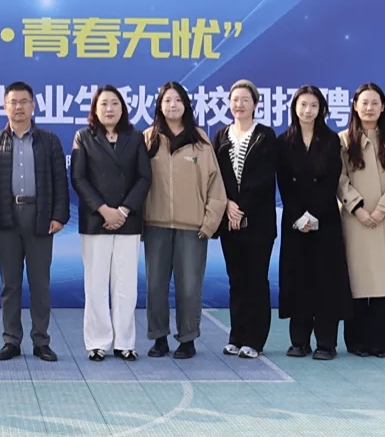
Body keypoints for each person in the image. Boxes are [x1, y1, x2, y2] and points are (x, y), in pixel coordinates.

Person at [0, 81, 69, 363]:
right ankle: (11, 340)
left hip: (39, 216)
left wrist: (58, 216)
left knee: (40, 284)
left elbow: (60, 181)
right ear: (4, 106)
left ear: (33, 105)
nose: (18, 107)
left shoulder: (49, 141)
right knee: (10, 285)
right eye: (13, 102)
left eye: (24, 102)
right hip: (6, 217)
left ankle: (41, 341)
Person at [142, 81, 226, 359]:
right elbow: (137, 182)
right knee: (155, 286)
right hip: (155, 226)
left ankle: (187, 338)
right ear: (159, 105)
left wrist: (209, 222)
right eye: (167, 100)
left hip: (193, 228)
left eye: (178, 100)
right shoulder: (148, 138)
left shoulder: (200, 140)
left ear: (186, 105)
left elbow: (215, 185)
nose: (172, 105)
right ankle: (159, 337)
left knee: (189, 287)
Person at [70, 85, 152, 362]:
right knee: (95, 284)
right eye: (103, 104)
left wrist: (124, 210)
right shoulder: (84, 137)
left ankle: (124, 342)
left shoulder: (136, 137)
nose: (109, 109)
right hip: (96, 220)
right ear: (95, 108)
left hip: (128, 221)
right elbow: (78, 178)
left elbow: (144, 177)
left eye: (114, 103)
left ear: (123, 108)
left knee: (125, 285)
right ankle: (97, 342)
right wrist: (104, 210)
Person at [276, 86, 352, 360]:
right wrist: (299, 215)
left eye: (313, 106)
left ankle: (326, 343)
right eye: (303, 105)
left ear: (321, 110)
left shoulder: (331, 140)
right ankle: (299, 341)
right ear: (294, 107)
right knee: (298, 279)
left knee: (326, 281)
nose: (307, 110)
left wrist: (314, 214)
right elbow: (284, 182)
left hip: (325, 220)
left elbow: (332, 180)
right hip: (295, 221)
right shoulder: (283, 141)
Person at [337, 82, 385, 358]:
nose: (369, 108)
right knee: (357, 282)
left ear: (383, 107)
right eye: (364, 102)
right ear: (355, 106)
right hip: (354, 220)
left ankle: (381, 342)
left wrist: (382, 210)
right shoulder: (344, 140)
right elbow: (340, 179)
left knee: (381, 283)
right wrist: (357, 208)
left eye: (374, 103)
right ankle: (356, 342)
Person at [211, 79, 278, 359]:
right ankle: (236, 337)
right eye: (235, 100)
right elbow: (215, 176)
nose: (239, 104)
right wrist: (227, 205)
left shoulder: (265, 136)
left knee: (256, 280)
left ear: (255, 104)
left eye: (245, 100)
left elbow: (264, 178)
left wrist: (241, 208)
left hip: (258, 222)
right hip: (229, 223)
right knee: (236, 280)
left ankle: (255, 340)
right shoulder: (221, 135)